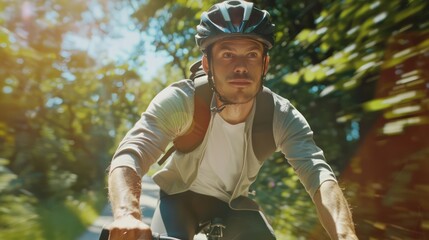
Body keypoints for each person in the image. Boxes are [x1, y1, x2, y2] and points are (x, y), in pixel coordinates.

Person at [107, 1, 358, 240]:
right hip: (178, 199)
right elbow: (131, 153)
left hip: (234, 206)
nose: (240, 66)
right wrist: (127, 215)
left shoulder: (280, 115)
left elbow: (319, 176)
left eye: (251, 54)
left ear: (265, 64)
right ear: (207, 64)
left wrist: (346, 235)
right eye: (227, 54)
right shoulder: (182, 101)